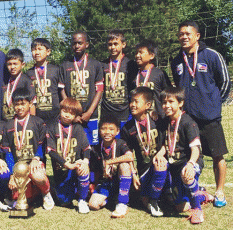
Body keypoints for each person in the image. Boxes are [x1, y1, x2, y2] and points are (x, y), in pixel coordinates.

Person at [171, 20, 231, 207]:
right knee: (190, 156)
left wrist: (214, 105)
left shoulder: (211, 55)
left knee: (217, 155)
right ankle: (192, 190)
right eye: (181, 34)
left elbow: (226, 82)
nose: (184, 37)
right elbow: (178, 88)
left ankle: (220, 191)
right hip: (188, 119)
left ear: (197, 36)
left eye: (188, 33)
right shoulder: (176, 61)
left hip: (210, 118)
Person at [159, 87, 213, 224]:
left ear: (181, 103)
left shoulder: (188, 122)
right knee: (181, 207)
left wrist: (190, 164)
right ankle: (201, 194)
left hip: (190, 162)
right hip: (174, 165)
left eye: (171, 101)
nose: (167, 106)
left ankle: (197, 210)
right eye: (164, 102)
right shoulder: (165, 122)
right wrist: (159, 154)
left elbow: (196, 149)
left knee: (187, 174)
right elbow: (167, 145)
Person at [0, 87, 54, 211]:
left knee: (38, 176)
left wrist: (36, 158)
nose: (20, 107)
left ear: (30, 104)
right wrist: (13, 173)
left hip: (34, 162)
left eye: (23, 104)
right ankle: (26, 196)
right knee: (23, 199)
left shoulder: (38, 122)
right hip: (18, 166)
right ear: (12, 105)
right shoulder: (8, 125)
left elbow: (42, 144)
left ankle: (46, 193)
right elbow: (7, 151)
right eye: (17, 104)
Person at [121, 87, 167, 217]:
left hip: (161, 165)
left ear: (148, 105)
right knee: (142, 200)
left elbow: (167, 142)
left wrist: (160, 154)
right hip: (143, 170)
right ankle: (151, 199)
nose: (132, 105)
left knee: (179, 205)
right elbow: (128, 154)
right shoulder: (127, 127)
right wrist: (134, 174)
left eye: (136, 101)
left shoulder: (158, 121)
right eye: (131, 101)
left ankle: (155, 200)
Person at [47, 97, 91, 214]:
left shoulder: (78, 128)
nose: (67, 115)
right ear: (60, 110)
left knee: (83, 167)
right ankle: (54, 189)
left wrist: (85, 161)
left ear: (76, 116)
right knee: (64, 201)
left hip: (75, 167)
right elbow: (51, 151)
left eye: (71, 113)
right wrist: (67, 164)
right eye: (65, 111)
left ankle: (82, 200)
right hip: (60, 169)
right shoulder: (52, 127)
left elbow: (86, 148)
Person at [59, 31, 104, 146]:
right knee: (74, 147)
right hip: (72, 117)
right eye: (74, 43)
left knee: (93, 149)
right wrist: (71, 112)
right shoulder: (65, 65)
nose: (77, 46)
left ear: (87, 44)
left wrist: (89, 112)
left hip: (90, 116)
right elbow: (62, 90)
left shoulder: (95, 64)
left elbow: (99, 90)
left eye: (80, 43)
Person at [89, 115, 134, 218]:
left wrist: (110, 162)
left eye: (111, 129)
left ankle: (122, 203)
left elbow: (130, 156)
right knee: (93, 205)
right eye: (104, 129)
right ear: (99, 131)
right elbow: (95, 170)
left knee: (125, 166)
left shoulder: (120, 143)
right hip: (105, 182)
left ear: (117, 131)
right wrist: (94, 184)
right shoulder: (96, 148)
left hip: (119, 180)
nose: (107, 132)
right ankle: (111, 199)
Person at [101, 30, 136, 129]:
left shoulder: (130, 64)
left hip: (125, 111)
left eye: (116, 44)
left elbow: (133, 88)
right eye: (110, 44)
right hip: (107, 112)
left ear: (123, 44)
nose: (113, 47)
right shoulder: (102, 64)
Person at [26, 38, 60, 126]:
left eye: (40, 49)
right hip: (37, 116)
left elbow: (61, 92)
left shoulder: (56, 70)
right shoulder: (29, 73)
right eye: (33, 49)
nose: (36, 52)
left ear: (48, 52)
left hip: (55, 116)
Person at [134, 39, 171, 118]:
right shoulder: (134, 75)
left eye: (141, 52)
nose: (137, 55)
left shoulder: (159, 74)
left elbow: (168, 94)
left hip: (158, 117)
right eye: (136, 52)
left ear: (151, 55)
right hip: (140, 117)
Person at [2, 48, 35, 121]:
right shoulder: (4, 81)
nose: (12, 67)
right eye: (9, 64)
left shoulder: (27, 81)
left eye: (15, 64)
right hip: (6, 122)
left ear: (22, 65)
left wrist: (31, 123)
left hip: (21, 121)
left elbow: (32, 104)